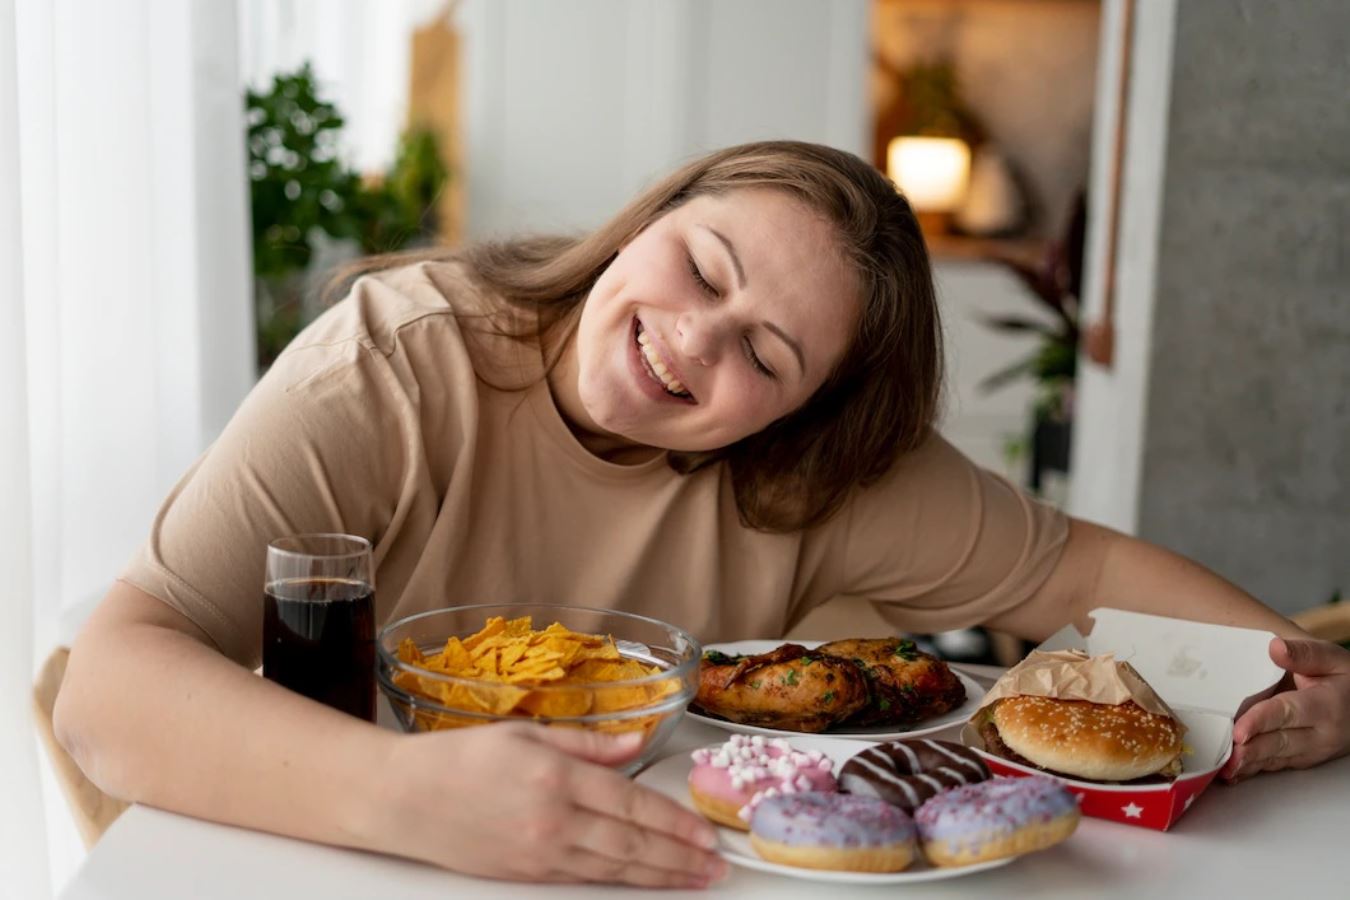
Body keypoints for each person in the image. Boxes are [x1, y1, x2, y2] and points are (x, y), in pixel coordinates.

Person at [55, 141, 1348, 888]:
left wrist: (1309, 675)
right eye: (702, 266)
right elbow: (105, 691)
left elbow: (1087, 563)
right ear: (646, 223)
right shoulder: (396, 365)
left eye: (767, 356)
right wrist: (405, 794)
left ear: (796, 417)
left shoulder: (825, 474)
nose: (692, 337)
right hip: (342, 850)